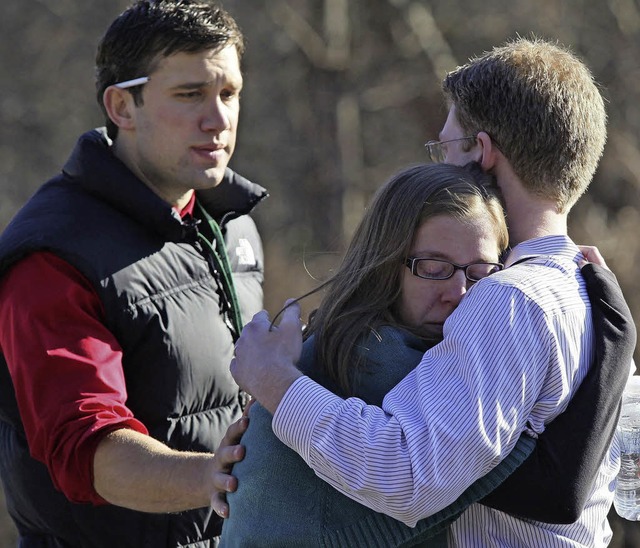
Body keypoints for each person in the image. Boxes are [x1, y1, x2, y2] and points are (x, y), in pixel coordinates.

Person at [229, 37, 636, 546]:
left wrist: (274, 383)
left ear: (481, 153)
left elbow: (408, 476)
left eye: (445, 147)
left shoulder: (506, 300)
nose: (441, 164)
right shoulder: (584, 292)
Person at [0, 1, 266, 546]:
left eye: (229, 94)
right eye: (190, 95)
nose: (217, 119)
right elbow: (90, 451)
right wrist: (221, 477)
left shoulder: (231, 225)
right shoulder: (53, 258)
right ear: (122, 105)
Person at [221, 162, 535, 546]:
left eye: (481, 272)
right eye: (434, 268)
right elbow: (450, 476)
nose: (459, 293)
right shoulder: (373, 357)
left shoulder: (339, 337)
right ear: (385, 264)